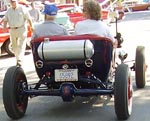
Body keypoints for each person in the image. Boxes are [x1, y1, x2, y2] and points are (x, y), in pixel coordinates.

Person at [3, 0, 33, 66]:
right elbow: (5, 20)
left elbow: (28, 18)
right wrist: (4, 27)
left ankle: (20, 59)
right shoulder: (9, 11)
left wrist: (31, 26)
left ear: (17, 1)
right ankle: (18, 59)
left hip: (21, 28)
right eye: (12, 2)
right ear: (10, 3)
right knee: (14, 46)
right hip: (12, 30)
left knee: (21, 45)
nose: (13, 3)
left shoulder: (22, 8)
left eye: (14, 1)